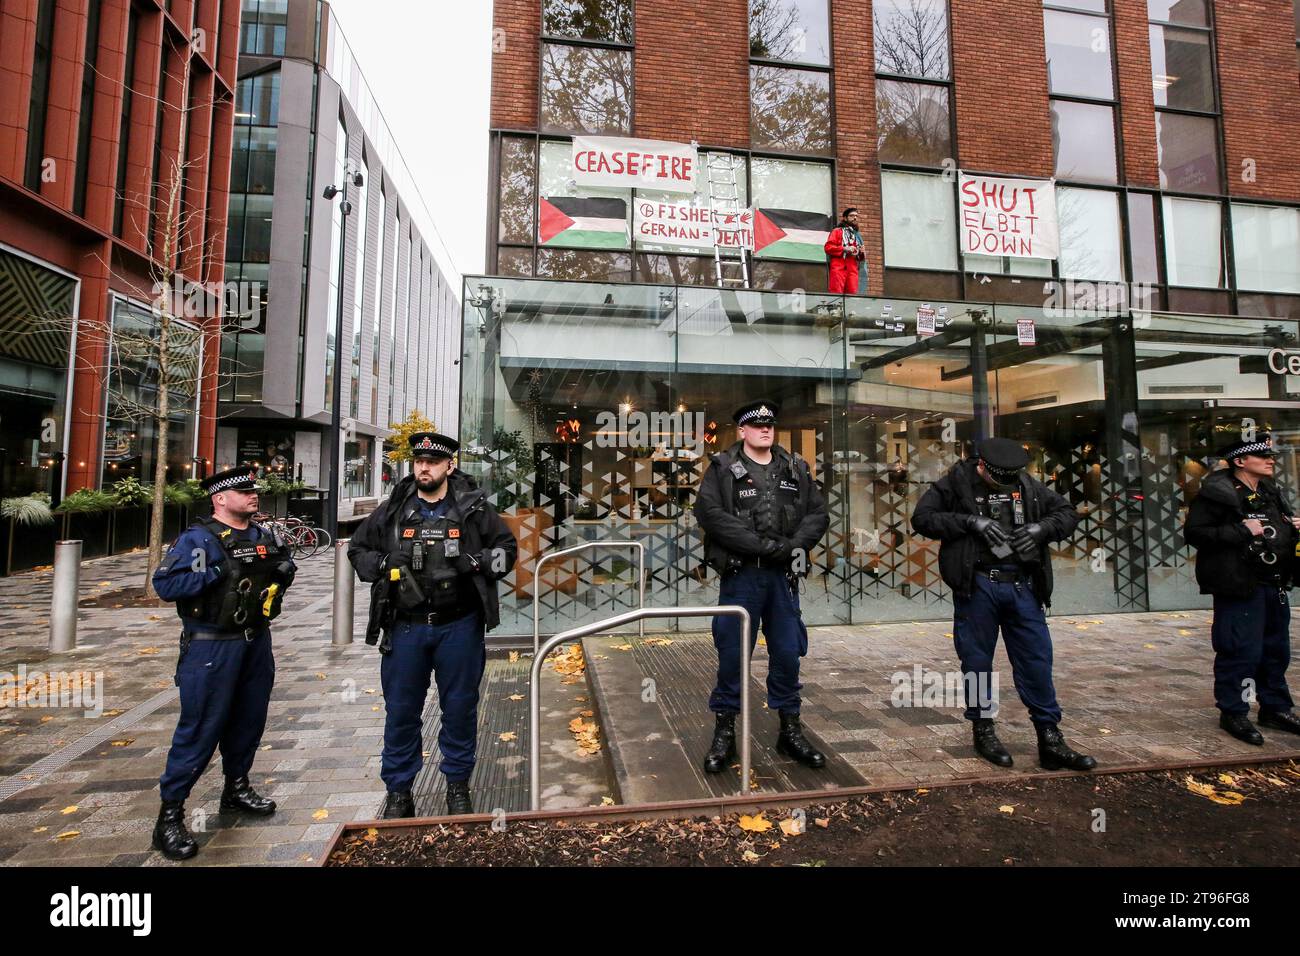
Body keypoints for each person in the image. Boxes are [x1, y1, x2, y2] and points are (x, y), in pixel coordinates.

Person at [349, 432, 517, 817]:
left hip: (458, 625)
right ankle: (399, 791)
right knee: (402, 710)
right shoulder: (394, 508)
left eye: (432, 462)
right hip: (405, 626)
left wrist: (474, 563)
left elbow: (507, 551)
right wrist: (382, 566)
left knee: (459, 708)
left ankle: (457, 785)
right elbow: (358, 549)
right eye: (419, 461)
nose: (424, 467)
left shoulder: (473, 509)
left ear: (449, 466)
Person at [911, 437, 1096, 771]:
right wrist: (970, 522)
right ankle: (984, 730)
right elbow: (923, 518)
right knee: (977, 662)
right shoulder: (957, 482)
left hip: (1024, 586)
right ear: (982, 466)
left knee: (1037, 661)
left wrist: (1042, 529)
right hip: (979, 584)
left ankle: (1049, 736)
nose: (1006, 483)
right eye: (999, 478)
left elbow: (1066, 513)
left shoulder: (1025, 482)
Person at [150, 466, 296, 860]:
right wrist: (219, 570)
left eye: (254, 490)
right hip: (211, 648)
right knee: (200, 729)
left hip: (254, 643)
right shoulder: (200, 540)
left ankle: (236, 787)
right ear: (220, 498)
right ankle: (170, 815)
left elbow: (280, 567)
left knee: (249, 721)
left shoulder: (262, 535)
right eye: (244, 491)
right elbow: (166, 585)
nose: (253, 495)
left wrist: (283, 571)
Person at [693, 400, 830, 774]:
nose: (765, 430)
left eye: (770, 425)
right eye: (756, 426)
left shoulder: (795, 466)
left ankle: (790, 729)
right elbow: (711, 516)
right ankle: (724, 733)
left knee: (787, 654)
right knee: (733, 656)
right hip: (743, 578)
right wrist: (763, 547)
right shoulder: (722, 469)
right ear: (742, 431)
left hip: (782, 578)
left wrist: (793, 546)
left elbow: (817, 514)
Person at [1184, 433, 1300, 744]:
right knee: (1240, 649)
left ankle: (1275, 707)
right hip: (1238, 584)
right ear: (1240, 461)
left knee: (1276, 650)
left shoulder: (1270, 491)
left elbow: (1276, 526)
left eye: (1270, 456)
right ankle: (1234, 711)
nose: (1270, 460)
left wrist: (1292, 526)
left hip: (1272, 581)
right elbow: (1196, 533)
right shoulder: (1217, 494)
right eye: (1262, 456)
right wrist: (1240, 530)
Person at [824, 207, 867, 294]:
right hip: (839, 267)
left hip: (852, 269)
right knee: (836, 294)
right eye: (851, 216)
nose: (855, 218)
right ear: (845, 218)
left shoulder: (857, 236)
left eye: (856, 216)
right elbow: (828, 247)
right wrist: (844, 249)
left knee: (852, 297)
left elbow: (860, 259)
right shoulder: (837, 231)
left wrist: (861, 252)